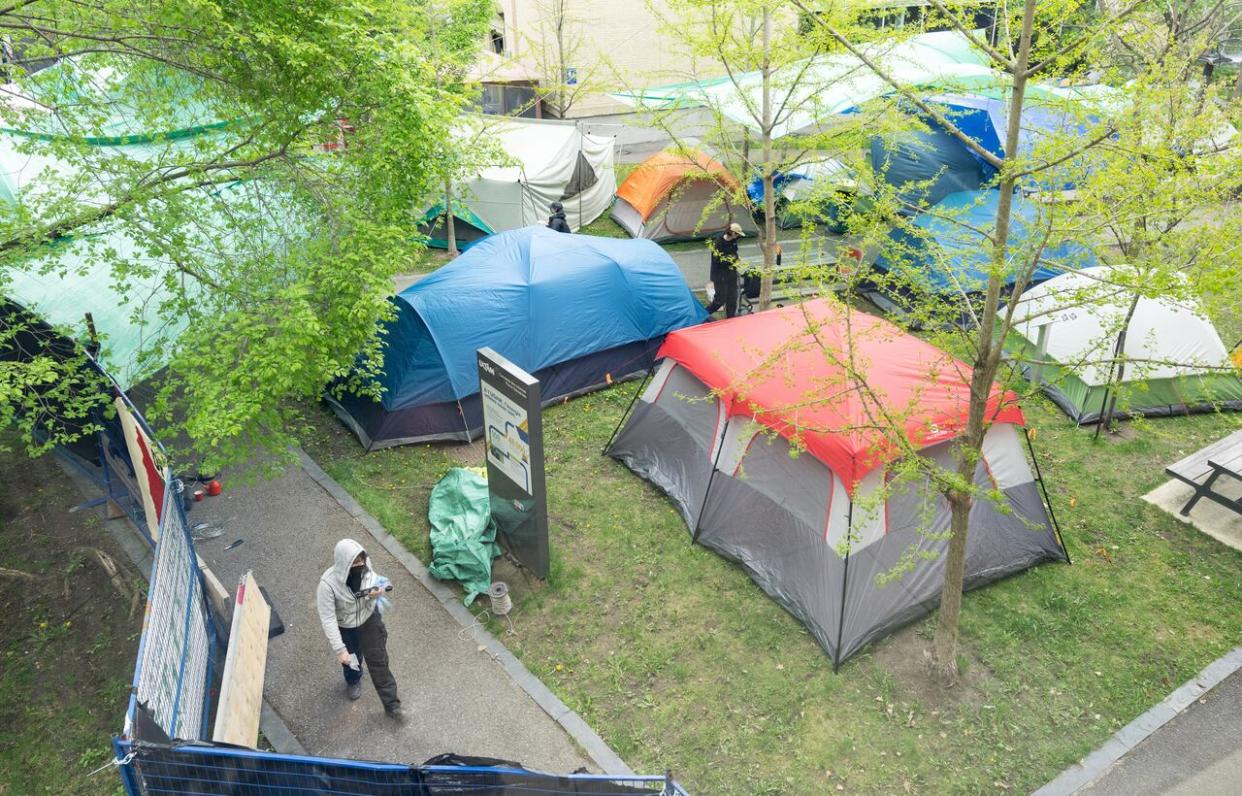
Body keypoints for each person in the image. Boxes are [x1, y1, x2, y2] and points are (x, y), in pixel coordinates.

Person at [316, 538, 402, 717]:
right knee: (351, 659)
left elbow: (378, 583)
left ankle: (391, 703)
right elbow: (328, 618)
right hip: (345, 628)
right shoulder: (327, 585)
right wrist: (340, 650)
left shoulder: (366, 567)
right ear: (343, 564)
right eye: (355, 563)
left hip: (369, 620)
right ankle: (354, 679)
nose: (360, 565)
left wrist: (378, 592)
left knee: (379, 662)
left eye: (361, 561)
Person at [705, 222, 745, 318]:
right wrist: (731, 260)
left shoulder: (734, 241)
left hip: (731, 274)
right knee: (720, 300)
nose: (738, 236)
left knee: (732, 299)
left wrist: (735, 259)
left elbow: (735, 253)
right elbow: (717, 260)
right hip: (720, 276)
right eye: (737, 234)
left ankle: (730, 319)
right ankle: (703, 314)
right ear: (732, 233)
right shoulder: (718, 243)